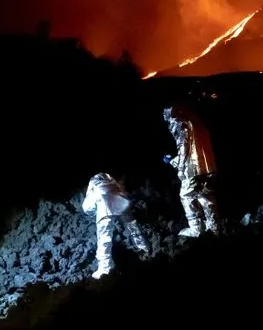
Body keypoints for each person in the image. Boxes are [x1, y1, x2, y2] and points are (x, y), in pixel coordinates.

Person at [163, 105, 223, 238]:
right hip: (209, 167)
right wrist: (174, 161)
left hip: (194, 169)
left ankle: (196, 228)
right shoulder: (196, 122)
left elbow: (184, 148)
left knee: (186, 195)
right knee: (205, 196)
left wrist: (181, 168)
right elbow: (196, 148)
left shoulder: (181, 124)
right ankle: (215, 227)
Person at [82, 172, 149, 279]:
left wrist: (94, 212)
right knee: (132, 226)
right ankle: (144, 247)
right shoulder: (110, 177)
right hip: (121, 201)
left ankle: (104, 269)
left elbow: (87, 208)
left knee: (104, 238)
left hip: (104, 206)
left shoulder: (93, 184)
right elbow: (123, 190)